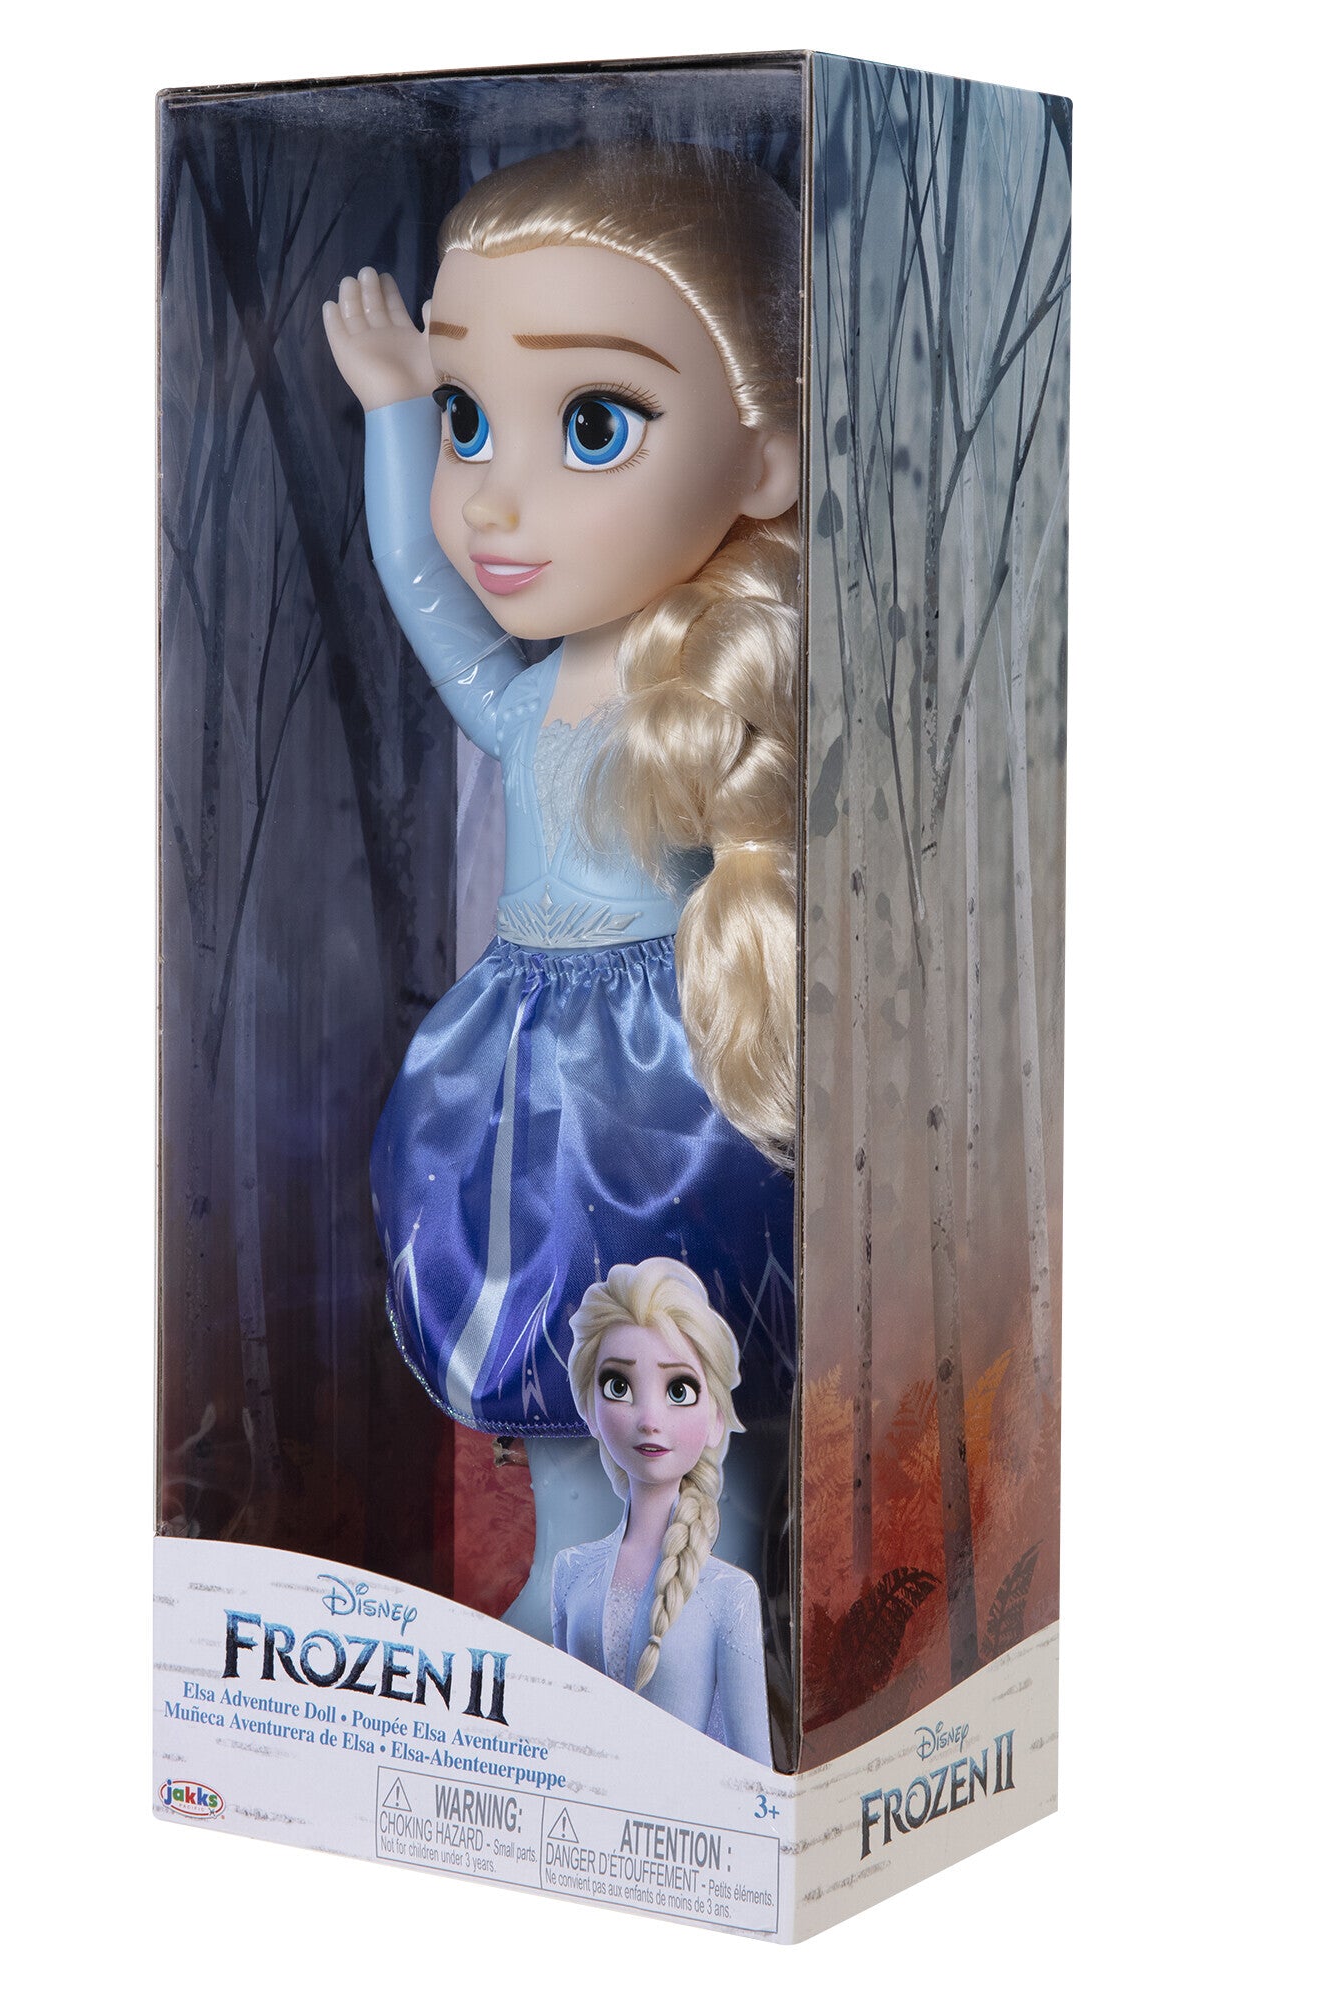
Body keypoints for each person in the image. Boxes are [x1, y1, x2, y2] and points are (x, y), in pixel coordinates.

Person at [321, 145, 800, 1628]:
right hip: (520, 1083)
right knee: (558, 1373)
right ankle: (570, 1610)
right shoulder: (528, 701)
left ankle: (706, 1625)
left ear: (765, 462)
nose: (493, 503)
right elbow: (420, 583)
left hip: (668, 1084)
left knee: (691, 1391)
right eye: (471, 419)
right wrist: (396, 410)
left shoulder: (707, 706)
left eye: (593, 424)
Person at [551, 1258, 771, 1765]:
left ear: (716, 1420)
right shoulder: (571, 1573)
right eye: (618, 1386)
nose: (650, 1419)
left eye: (678, 1391)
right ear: (591, 1410)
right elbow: (560, 1738)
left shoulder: (730, 1596)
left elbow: (754, 1772)